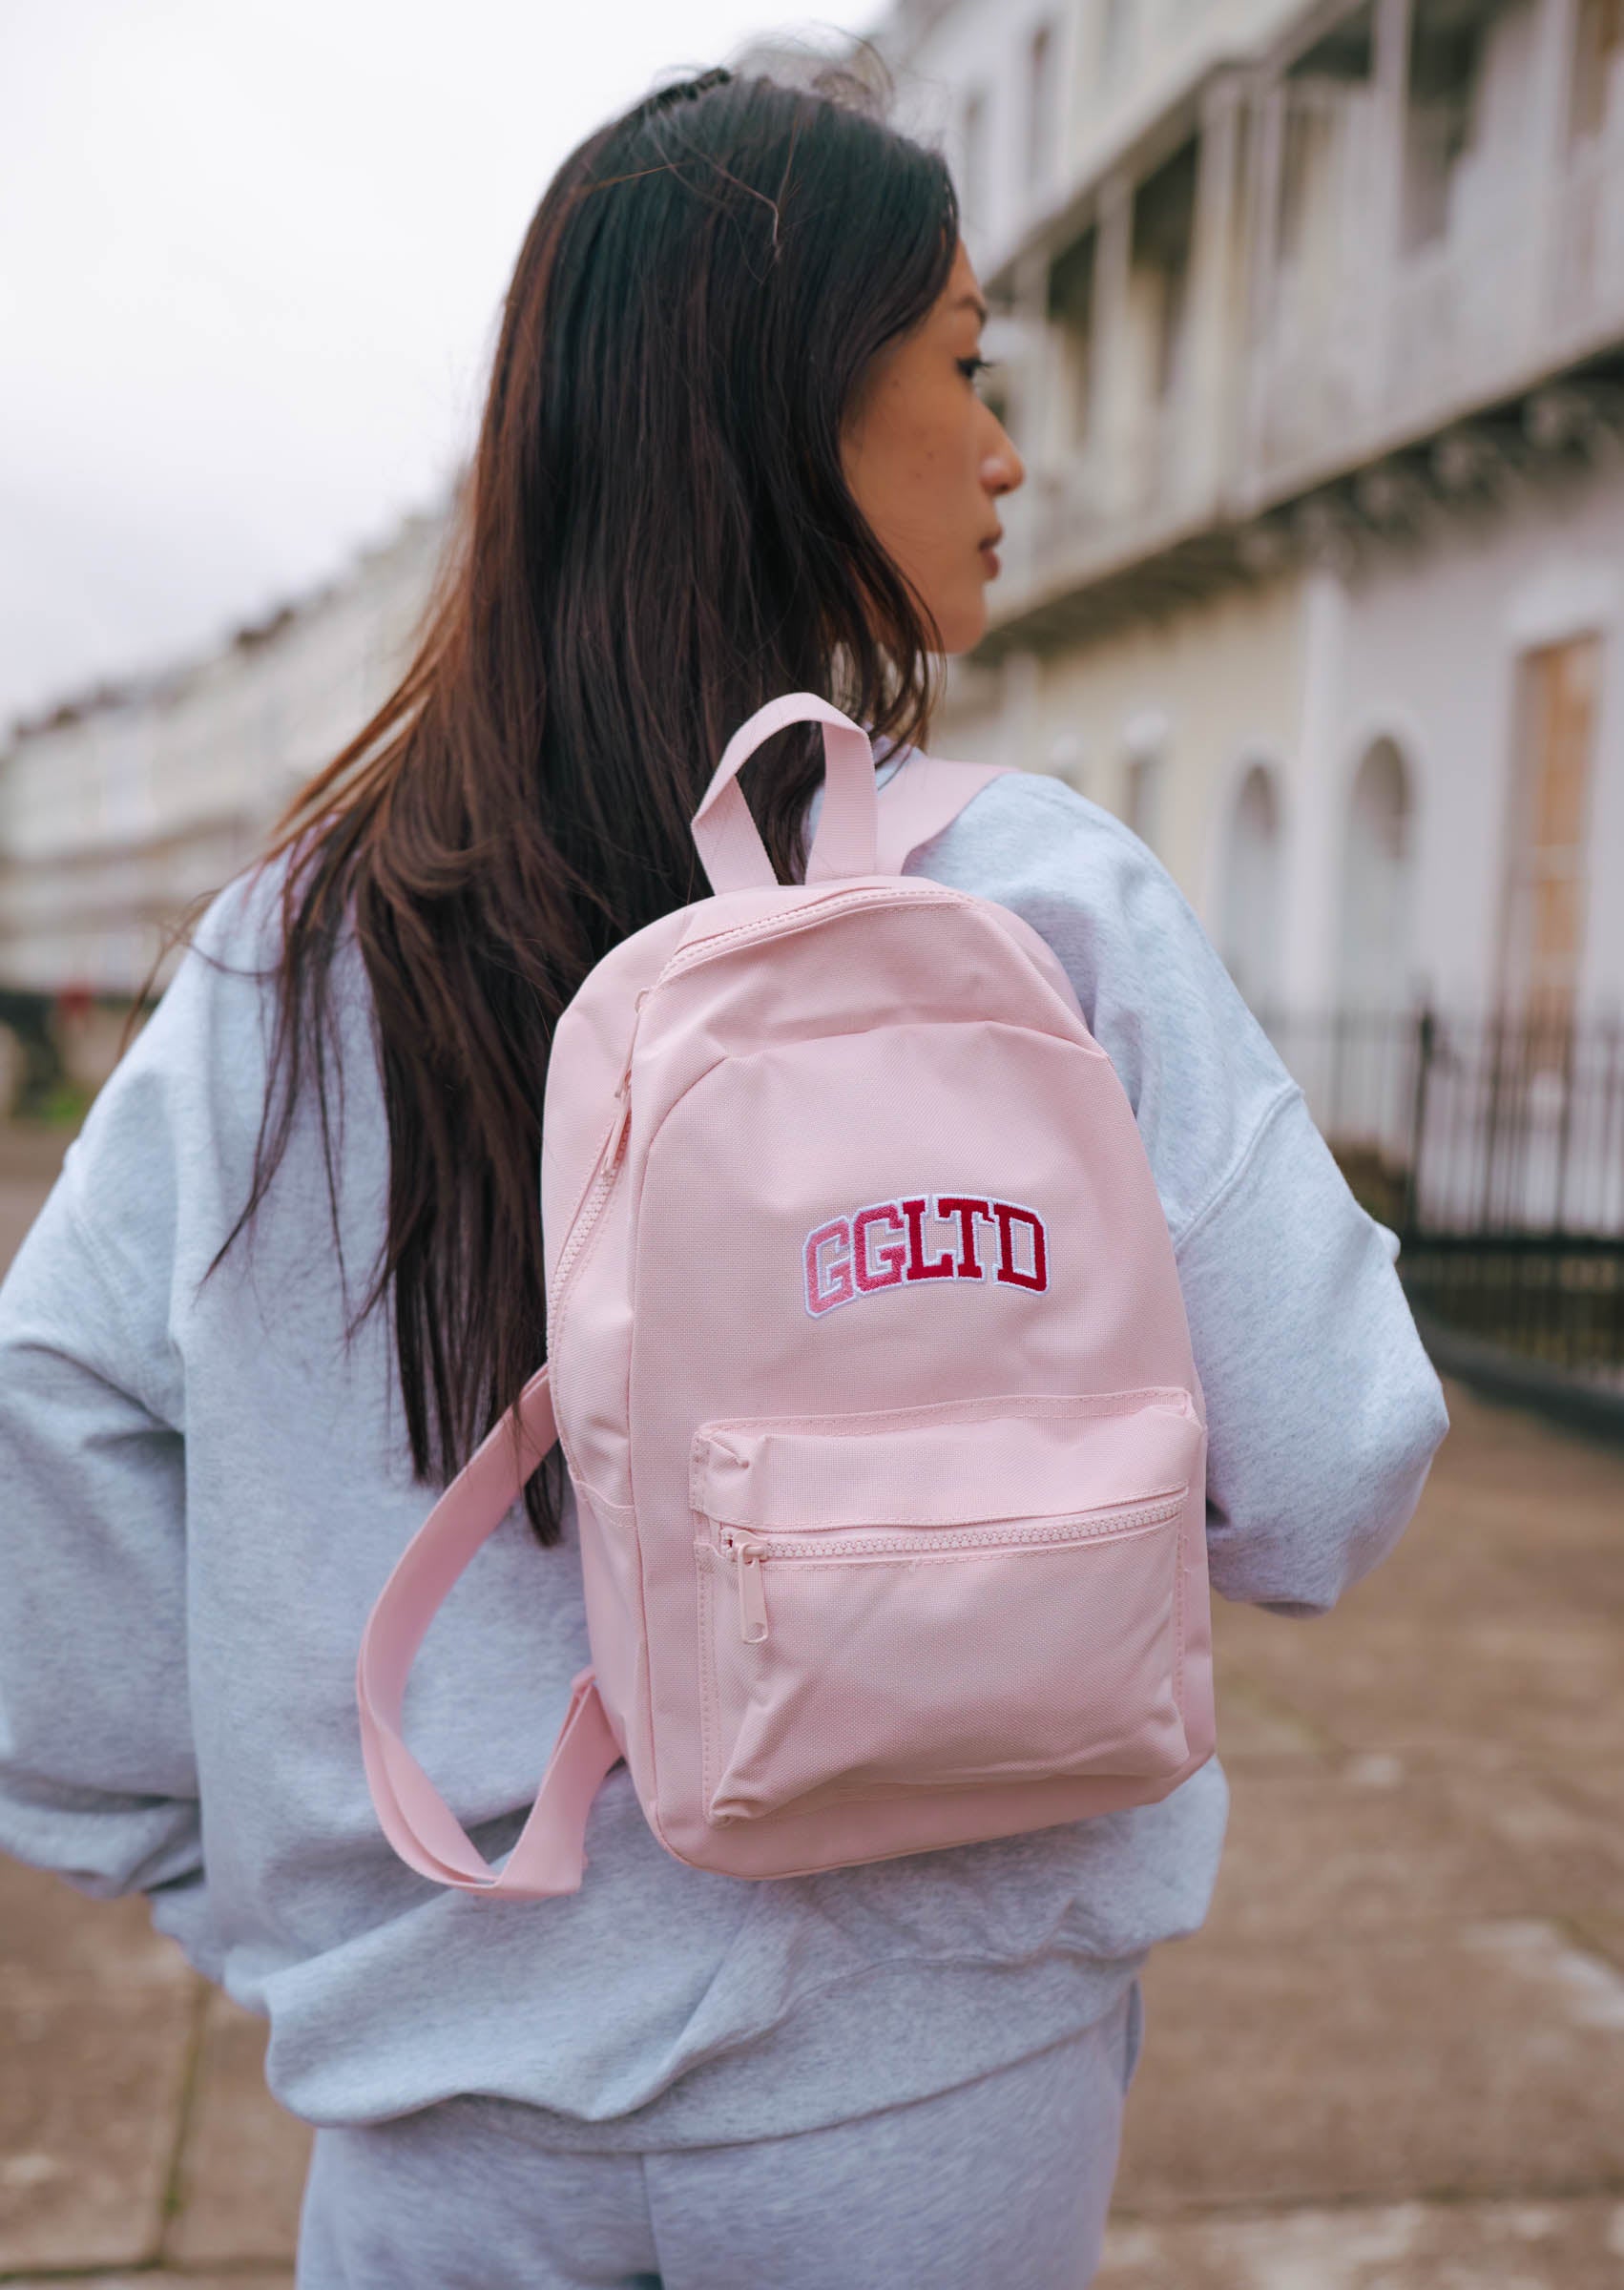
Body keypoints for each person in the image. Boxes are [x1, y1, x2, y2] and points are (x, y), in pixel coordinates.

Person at [0, 63, 1448, 2290]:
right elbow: (1327, 1460)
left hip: (434, 2085)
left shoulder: (291, 953)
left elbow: (53, 1422)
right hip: (924, 2081)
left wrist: (268, 1879)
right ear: (789, 412)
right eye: (960, 364)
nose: (1004, 450)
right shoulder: (1030, 905)